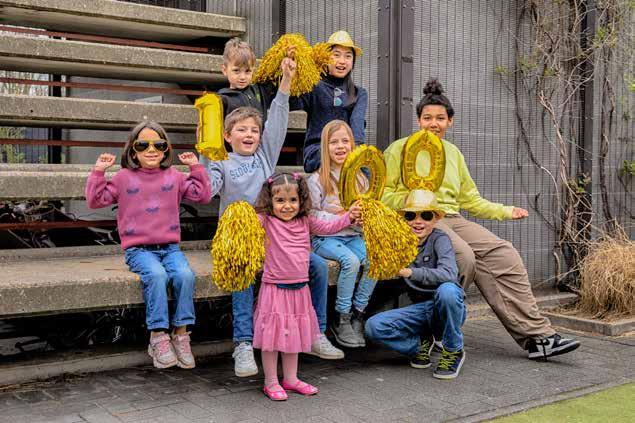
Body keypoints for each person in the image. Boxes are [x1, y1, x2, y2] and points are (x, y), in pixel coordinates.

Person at [382, 79, 580, 360]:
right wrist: (412, 199)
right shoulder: (398, 150)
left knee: (503, 253)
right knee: (463, 256)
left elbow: (471, 201)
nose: (433, 123)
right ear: (418, 121)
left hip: (451, 217)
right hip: (416, 218)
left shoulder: (453, 154)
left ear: (450, 122)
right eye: (427, 118)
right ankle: (439, 327)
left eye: (440, 118)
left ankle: (538, 338)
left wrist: (504, 211)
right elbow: (383, 195)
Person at [201, 55, 343, 379]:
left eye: (254, 130)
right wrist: (205, 158)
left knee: (317, 266)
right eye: (241, 130)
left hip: (277, 238)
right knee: (242, 273)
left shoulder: (265, 156)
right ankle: (243, 343)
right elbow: (208, 191)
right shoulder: (221, 161)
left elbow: (277, 117)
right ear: (227, 136)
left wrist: (287, 81)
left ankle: (316, 333)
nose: (249, 134)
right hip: (240, 241)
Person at [85, 121, 212, 369]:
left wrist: (196, 167)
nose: (151, 150)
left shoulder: (174, 176)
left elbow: (203, 195)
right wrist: (98, 172)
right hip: (139, 250)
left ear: (166, 149)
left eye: (159, 144)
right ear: (133, 151)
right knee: (156, 275)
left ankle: (181, 334)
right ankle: (158, 336)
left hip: (170, 248)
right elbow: (95, 200)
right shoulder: (123, 177)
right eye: (143, 145)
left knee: (185, 275)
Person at [251, 173, 362, 400]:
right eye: (280, 200)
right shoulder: (266, 221)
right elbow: (246, 224)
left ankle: (291, 379)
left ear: (301, 199)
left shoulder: (306, 221)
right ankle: (270, 382)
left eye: (293, 200)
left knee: (292, 335)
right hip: (274, 288)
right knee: (272, 339)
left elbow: (330, 227)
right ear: (270, 201)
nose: (287, 206)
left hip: (300, 290)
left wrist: (350, 216)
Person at [366, 190, 466, 379]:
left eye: (426, 215)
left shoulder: (440, 239)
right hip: (419, 311)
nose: (418, 221)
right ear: (404, 219)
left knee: (447, 291)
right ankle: (419, 345)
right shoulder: (399, 242)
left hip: (446, 307)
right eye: (411, 216)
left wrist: (410, 272)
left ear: (436, 218)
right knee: (373, 326)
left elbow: (449, 274)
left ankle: (453, 349)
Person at [307, 120, 377, 348]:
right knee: (351, 262)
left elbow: (364, 212)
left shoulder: (360, 178)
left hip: (353, 236)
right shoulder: (317, 180)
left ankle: (358, 312)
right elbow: (312, 219)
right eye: (333, 142)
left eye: (345, 141)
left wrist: (362, 218)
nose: (340, 146)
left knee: (375, 259)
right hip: (325, 239)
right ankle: (341, 317)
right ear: (325, 147)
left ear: (352, 145)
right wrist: (344, 216)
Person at [290, 30, 368, 173]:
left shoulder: (359, 93)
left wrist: (357, 157)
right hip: (317, 152)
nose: (342, 61)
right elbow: (291, 103)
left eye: (348, 56)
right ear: (325, 57)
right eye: (336, 55)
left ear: (353, 62)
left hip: (346, 151)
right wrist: (293, 77)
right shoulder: (313, 86)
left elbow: (357, 129)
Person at [217, 37, 277, 122]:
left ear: (253, 70)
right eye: (236, 71)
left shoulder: (259, 90)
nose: (242, 77)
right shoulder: (222, 99)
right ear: (224, 70)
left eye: (247, 71)